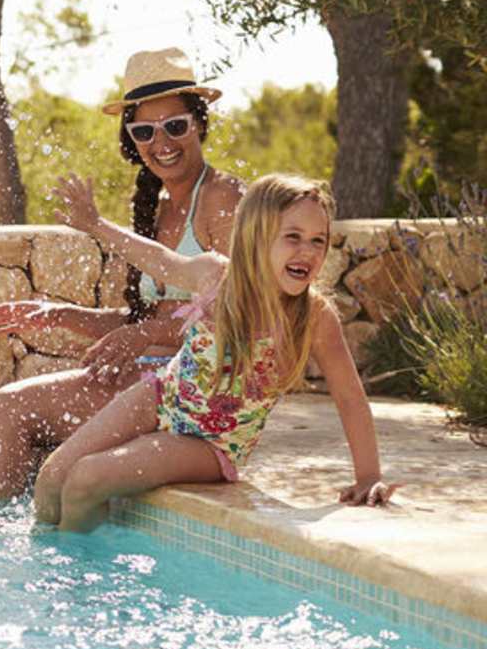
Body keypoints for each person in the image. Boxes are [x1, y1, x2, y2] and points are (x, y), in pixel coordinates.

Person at [0, 46, 245, 500]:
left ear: (199, 124)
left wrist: (145, 335)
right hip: (147, 378)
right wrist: (57, 315)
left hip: (189, 391)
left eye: (175, 125)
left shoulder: (224, 200)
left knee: (8, 410)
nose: (161, 142)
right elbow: (143, 325)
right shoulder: (158, 207)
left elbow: (236, 321)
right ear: (131, 137)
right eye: (145, 130)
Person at [34, 172, 396, 531]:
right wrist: (95, 224)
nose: (309, 251)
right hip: (159, 396)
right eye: (293, 237)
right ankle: (54, 563)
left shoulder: (315, 316)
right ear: (257, 236)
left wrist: (368, 476)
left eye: (319, 240)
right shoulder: (216, 277)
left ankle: (79, 582)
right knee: (53, 476)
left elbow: (350, 397)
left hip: (211, 445)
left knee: (86, 479)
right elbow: (157, 258)